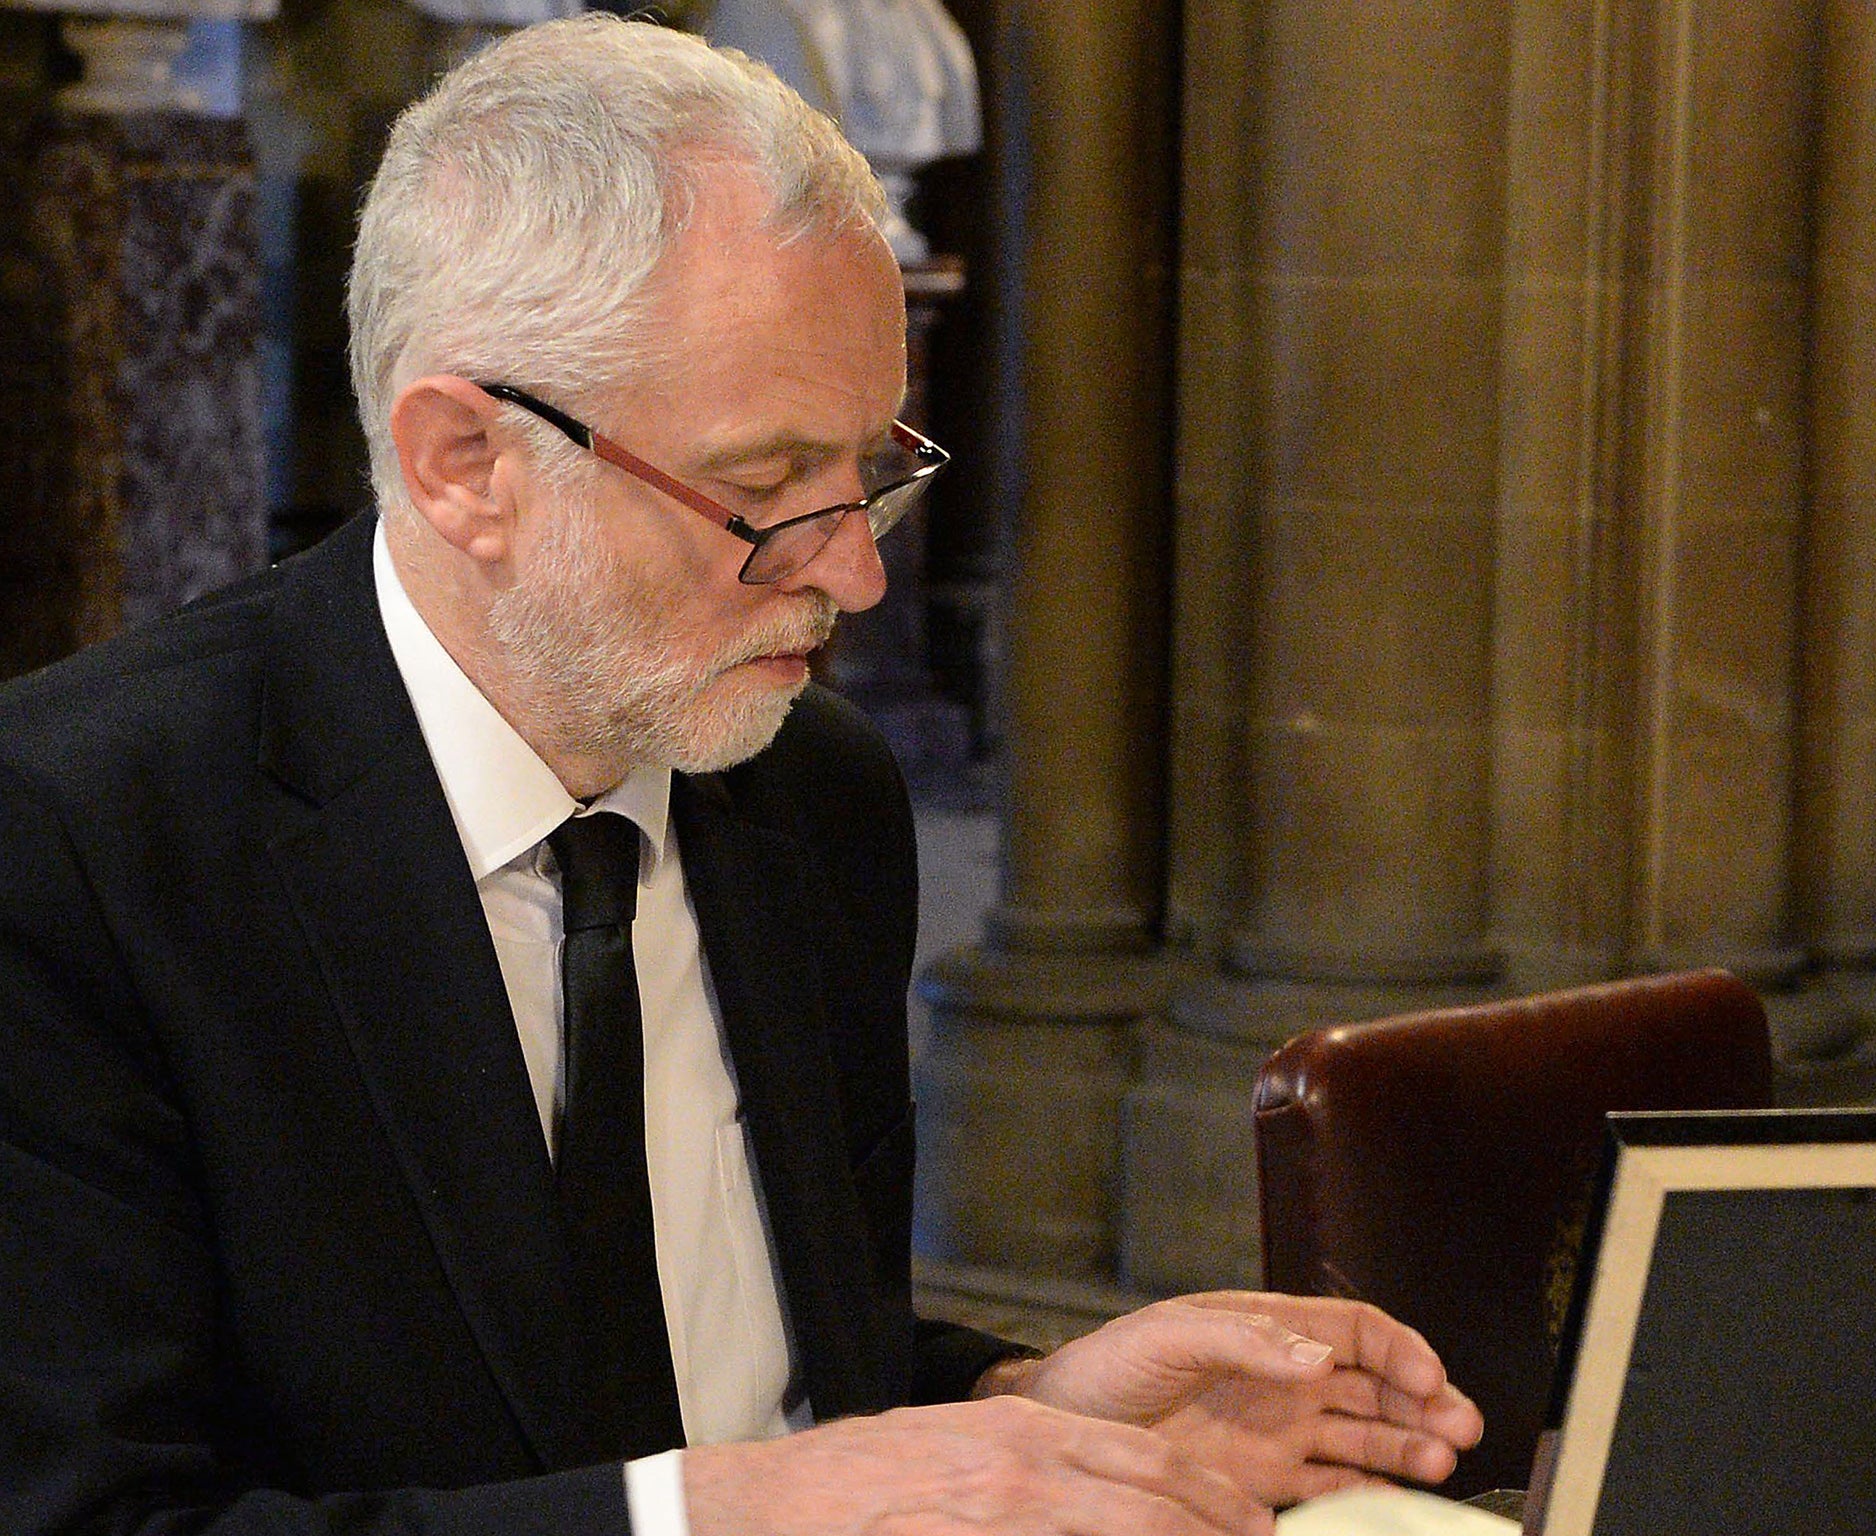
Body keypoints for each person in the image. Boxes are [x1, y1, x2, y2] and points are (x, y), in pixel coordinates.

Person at [0, 15, 1480, 1536]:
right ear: (464, 465)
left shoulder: (811, 796)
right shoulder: (74, 847)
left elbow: (744, 1371)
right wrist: (725, 1517)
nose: (854, 575)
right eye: (768, 490)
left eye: (875, 472)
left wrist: (1014, 1409)